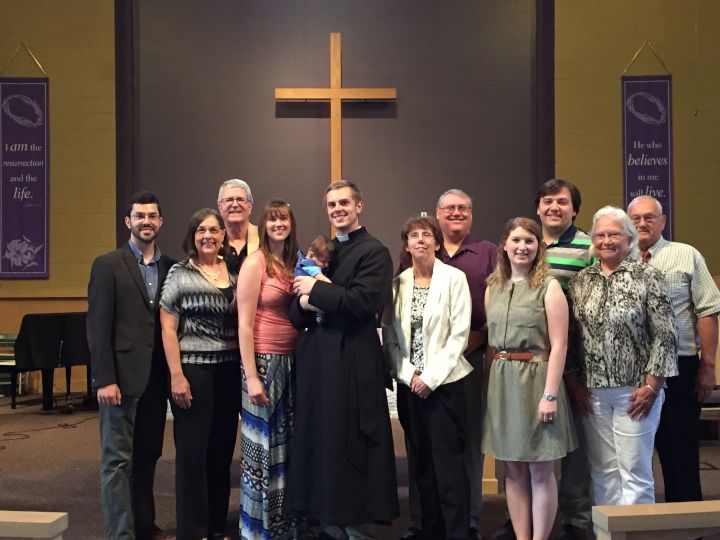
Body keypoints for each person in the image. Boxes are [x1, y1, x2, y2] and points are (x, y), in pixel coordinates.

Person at [287, 179, 399, 539]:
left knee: (350, 440)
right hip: (319, 361)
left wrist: (316, 291)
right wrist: (307, 300)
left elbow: (363, 303)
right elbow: (295, 310)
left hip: (353, 358)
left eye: (344, 203)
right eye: (332, 204)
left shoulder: (374, 252)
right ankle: (330, 521)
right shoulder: (323, 250)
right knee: (322, 439)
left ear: (359, 206)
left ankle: (356, 524)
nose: (337, 209)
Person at [568, 206, 678, 506]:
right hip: (593, 392)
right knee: (602, 471)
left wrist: (653, 385)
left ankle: (637, 529)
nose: (606, 241)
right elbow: (573, 337)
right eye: (600, 235)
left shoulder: (647, 275)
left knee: (635, 471)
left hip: (636, 391)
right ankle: (607, 529)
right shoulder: (581, 281)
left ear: (629, 238)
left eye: (614, 234)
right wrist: (575, 384)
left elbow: (666, 334)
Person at [88, 191, 176, 540]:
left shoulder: (171, 267)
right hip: (120, 381)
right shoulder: (108, 264)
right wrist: (104, 379)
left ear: (161, 222)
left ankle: (144, 525)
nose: (146, 222)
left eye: (152, 216)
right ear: (128, 221)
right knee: (117, 461)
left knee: (148, 456)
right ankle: (121, 533)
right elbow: (97, 327)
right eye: (140, 216)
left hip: (156, 380)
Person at [483, 217, 577, 540]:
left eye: (529, 241)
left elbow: (560, 344)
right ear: (504, 245)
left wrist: (550, 395)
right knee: (512, 469)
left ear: (539, 247)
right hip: (503, 381)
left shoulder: (549, 287)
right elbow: (492, 344)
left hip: (537, 380)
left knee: (540, 467)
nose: (522, 247)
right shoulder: (493, 287)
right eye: (516, 240)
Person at [382, 215, 473, 540]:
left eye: (426, 235)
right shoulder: (398, 284)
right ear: (406, 245)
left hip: (444, 386)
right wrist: (410, 375)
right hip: (410, 386)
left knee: (448, 464)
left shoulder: (454, 278)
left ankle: (457, 532)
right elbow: (390, 338)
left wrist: (430, 378)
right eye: (413, 236)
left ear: (437, 242)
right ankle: (428, 528)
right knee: (420, 461)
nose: (420, 240)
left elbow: (459, 336)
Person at [627, 195, 720, 502]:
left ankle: (687, 517)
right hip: (632, 370)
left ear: (663, 222)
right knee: (633, 451)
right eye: (636, 218)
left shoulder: (686, 255)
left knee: (680, 448)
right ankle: (637, 518)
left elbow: (708, 310)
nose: (642, 223)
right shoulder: (619, 259)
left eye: (649, 217)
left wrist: (708, 366)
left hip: (680, 367)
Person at [160, 208, 240, 540]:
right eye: (201, 230)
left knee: (221, 452)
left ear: (223, 235)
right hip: (193, 370)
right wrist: (176, 375)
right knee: (193, 455)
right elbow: (168, 327)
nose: (208, 236)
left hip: (229, 371)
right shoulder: (179, 273)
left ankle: (216, 526)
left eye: (214, 230)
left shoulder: (233, 270)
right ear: (192, 236)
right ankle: (192, 531)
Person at [431, 189, 496, 540]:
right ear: (438, 214)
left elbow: (501, 301)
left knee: (470, 441)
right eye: (449, 208)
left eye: (463, 208)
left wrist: (480, 336)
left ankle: (470, 518)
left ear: (471, 214)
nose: (456, 213)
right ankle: (430, 519)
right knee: (431, 441)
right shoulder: (424, 248)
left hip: (470, 359)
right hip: (429, 364)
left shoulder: (488, 253)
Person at [237, 200, 301, 540]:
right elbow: (244, 325)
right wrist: (251, 376)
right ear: (263, 226)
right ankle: (260, 529)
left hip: (293, 362)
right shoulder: (255, 263)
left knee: (288, 446)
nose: (278, 224)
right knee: (264, 447)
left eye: (284, 218)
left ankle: (286, 525)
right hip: (264, 363)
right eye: (272, 219)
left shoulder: (294, 262)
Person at [536, 179, 594, 540]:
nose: (554, 207)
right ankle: (524, 517)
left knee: (576, 445)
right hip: (532, 362)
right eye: (547, 201)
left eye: (562, 202)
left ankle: (576, 518)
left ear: (574, 209)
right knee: (530, 442)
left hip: (575, 360)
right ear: (538, 208)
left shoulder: (588, 247)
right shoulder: (527, 242)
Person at [217, 178, 259, 271]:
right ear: (220, 207)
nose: (235, 204)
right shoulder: (212, 242)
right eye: (229, 200)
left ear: (250, 206)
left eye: (240, 199)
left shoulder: (265, 238)